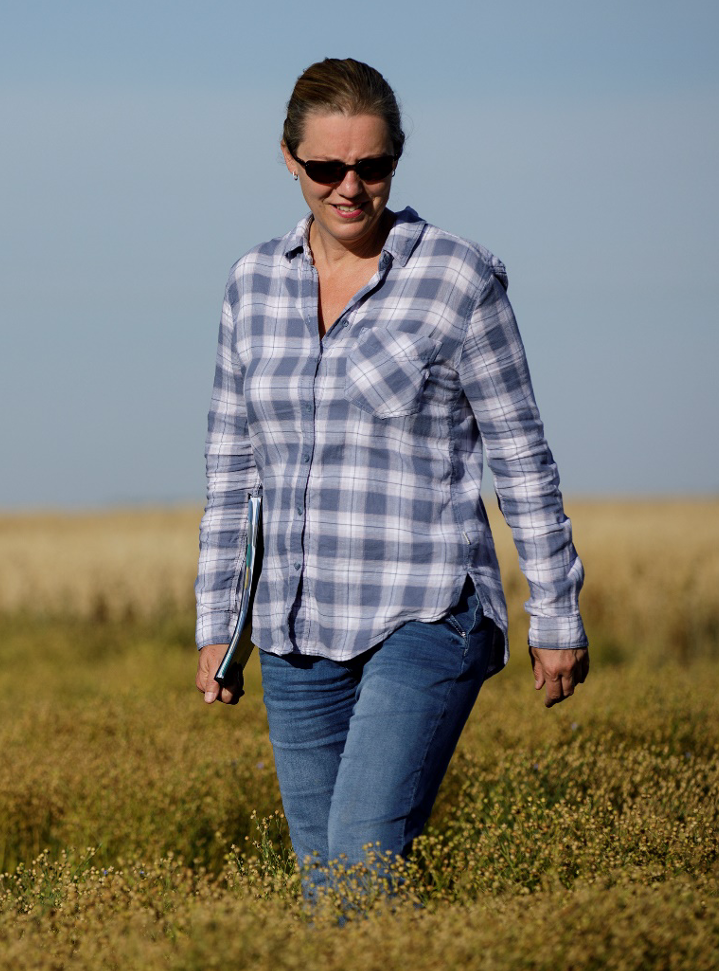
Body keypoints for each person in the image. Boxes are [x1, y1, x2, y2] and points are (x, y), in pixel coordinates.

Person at [195, 57, 589, 901]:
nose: (349, 188)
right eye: (326, 168)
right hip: (296, 631)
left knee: (360, 865)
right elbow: (233, 468)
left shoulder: (456, 279)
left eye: (370, 167)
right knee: (327, 892)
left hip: (426, 611)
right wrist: (220, 626)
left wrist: (555, 608)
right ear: (289, 159)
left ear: (395, 161)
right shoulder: (251, 284)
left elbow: (520, 454)